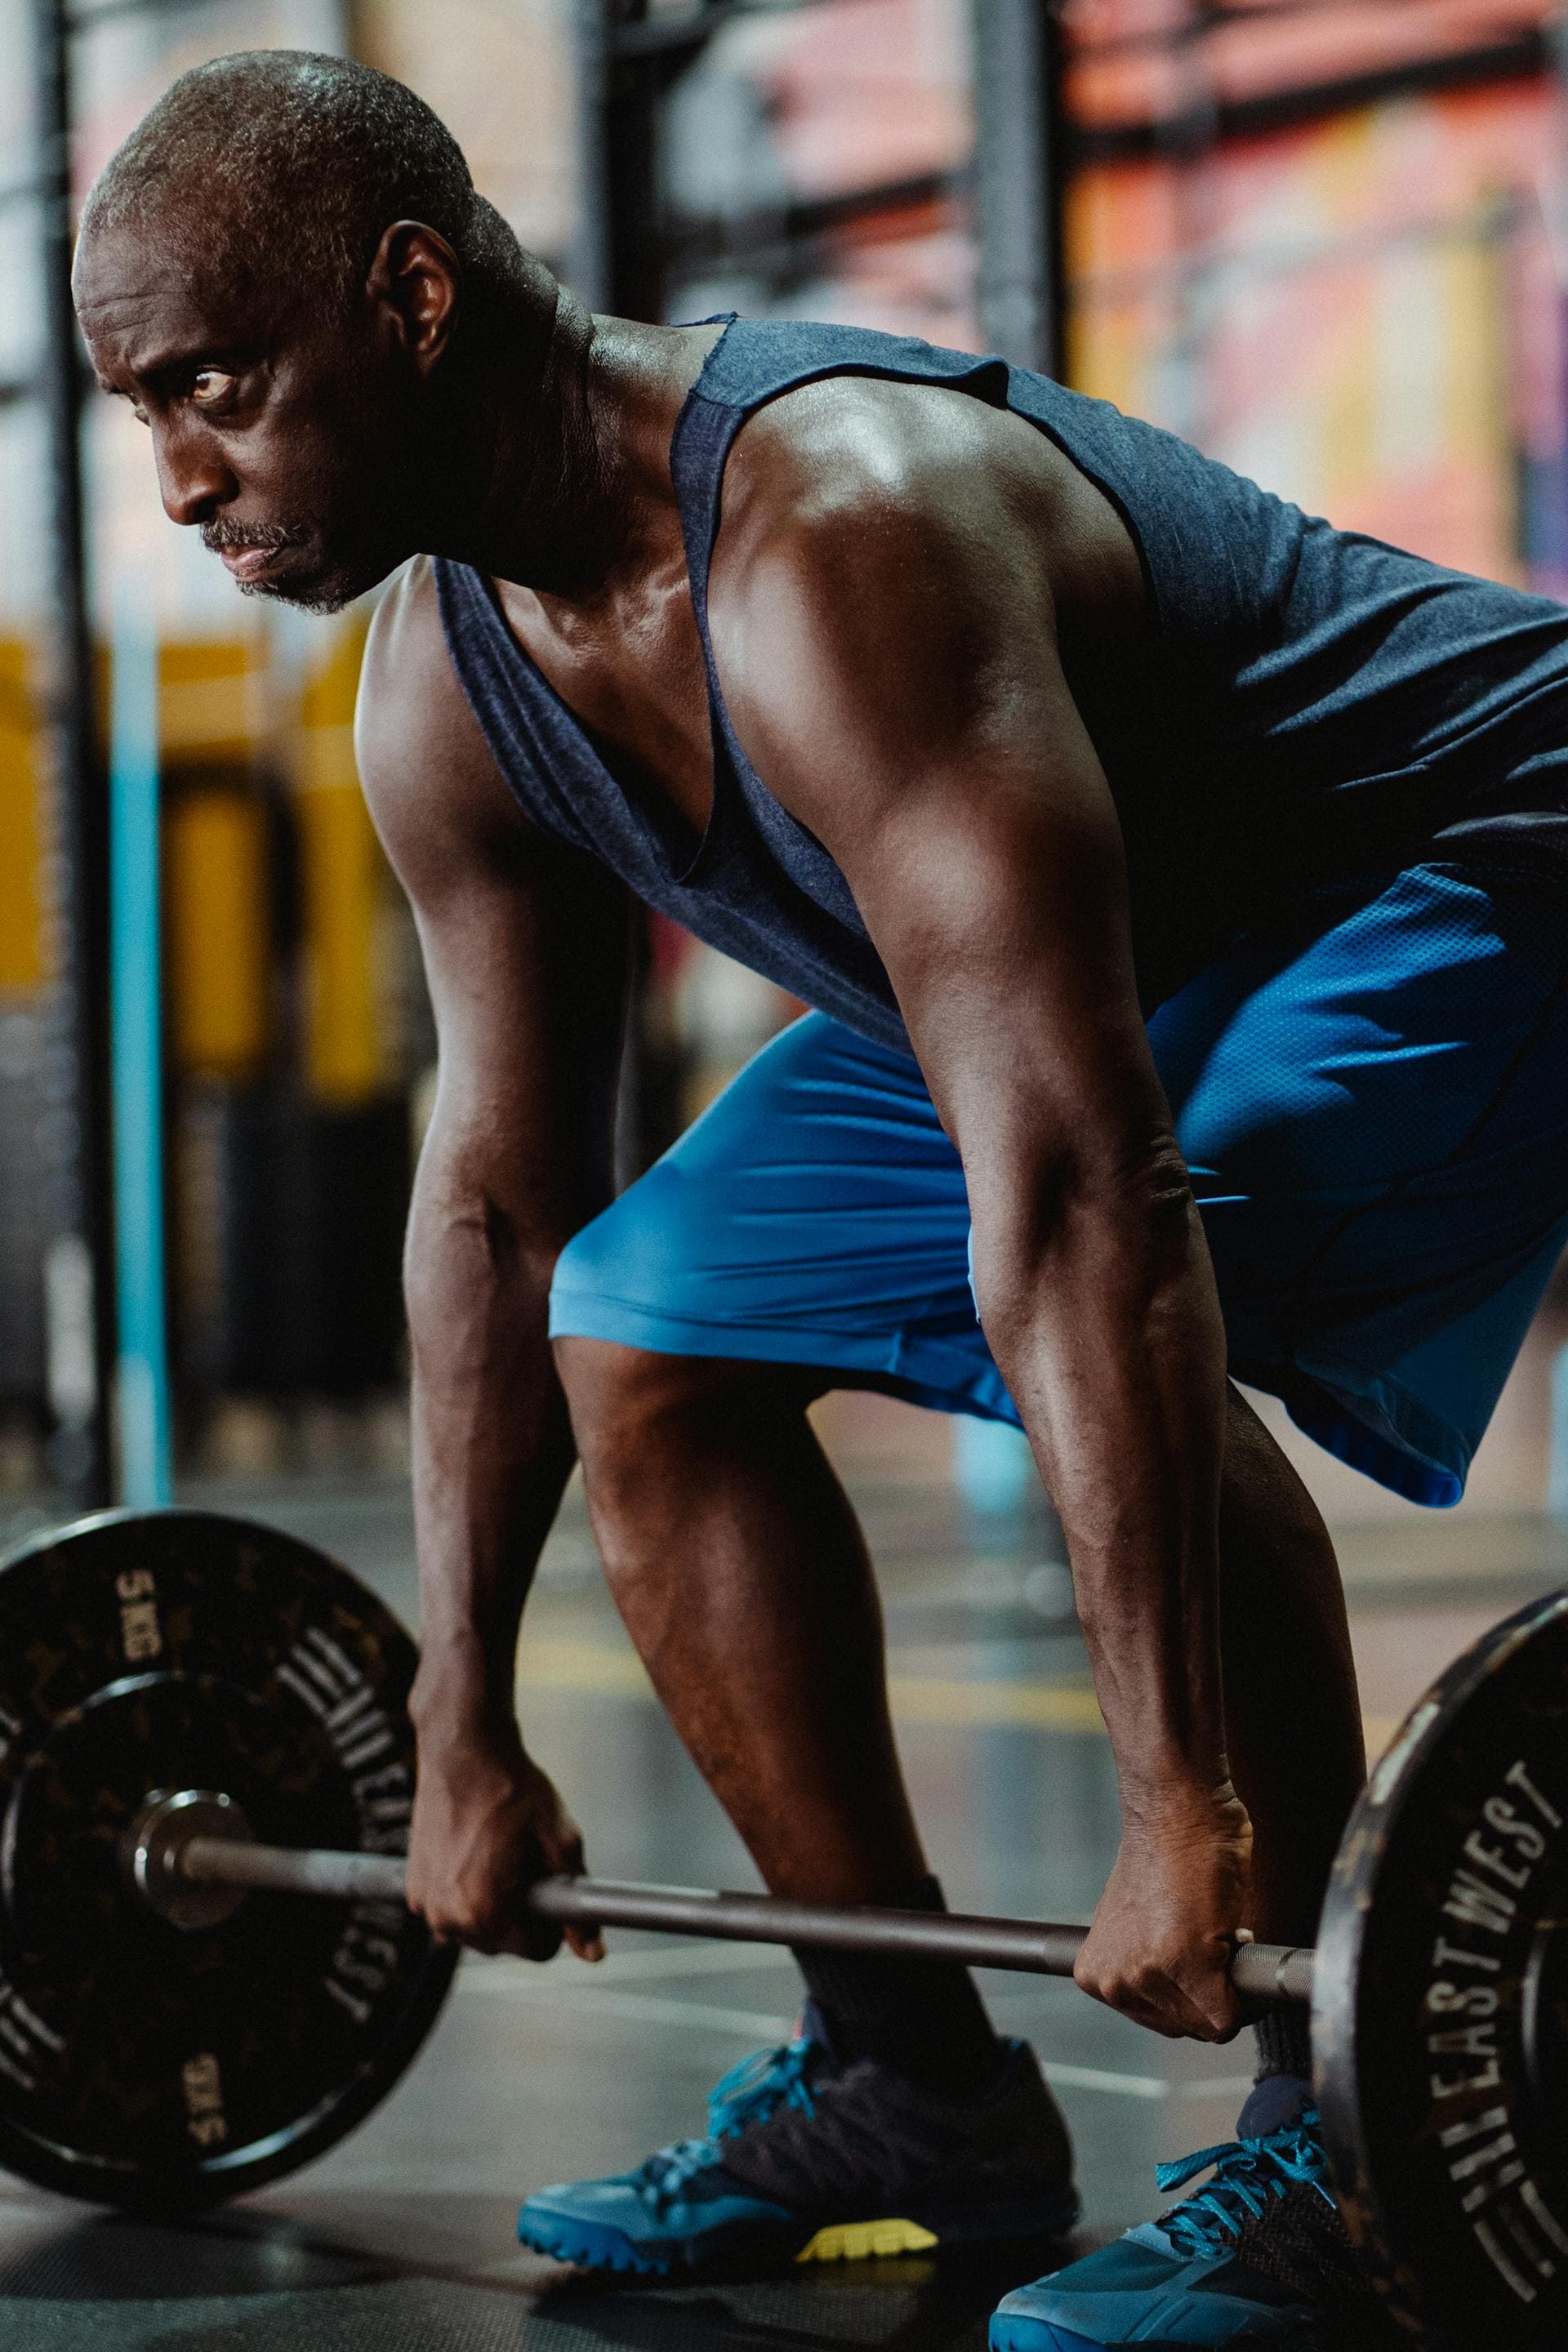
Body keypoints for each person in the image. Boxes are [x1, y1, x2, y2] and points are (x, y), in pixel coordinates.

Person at [73, 50, 1568, 2350]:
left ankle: (1335, 2142)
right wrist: (456, 1710)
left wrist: (1176, 1806)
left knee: (1174, 1239)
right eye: (140, 411)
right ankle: (904, 2089)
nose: (179, 478)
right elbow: (502, 1205)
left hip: (1462, 841)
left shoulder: (836, 537)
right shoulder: (449, 687)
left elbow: (1084, 1193)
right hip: (1140, 943)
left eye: (214, 388)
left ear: (413, 297)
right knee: (644, 1318)